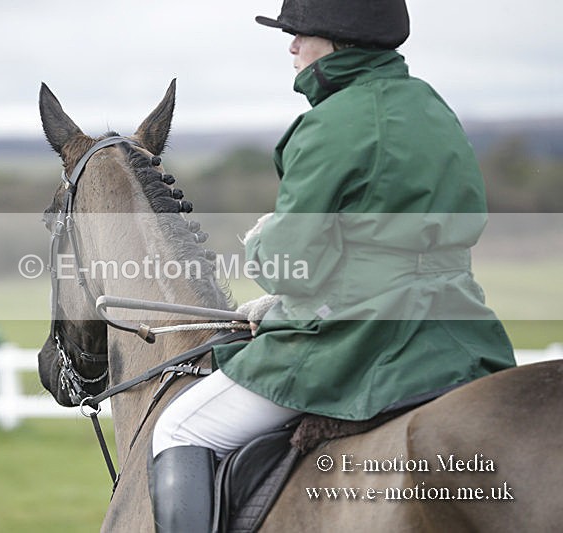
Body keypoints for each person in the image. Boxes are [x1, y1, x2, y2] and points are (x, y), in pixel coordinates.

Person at [148, 1, 516, 531]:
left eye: (299, 34)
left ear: (337, 40)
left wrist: (260, 243)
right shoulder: (433, 107)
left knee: (179, 429)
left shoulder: (330, 125)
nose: (292, 46)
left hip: (358, 338)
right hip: (459, 329)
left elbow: (289, 262)